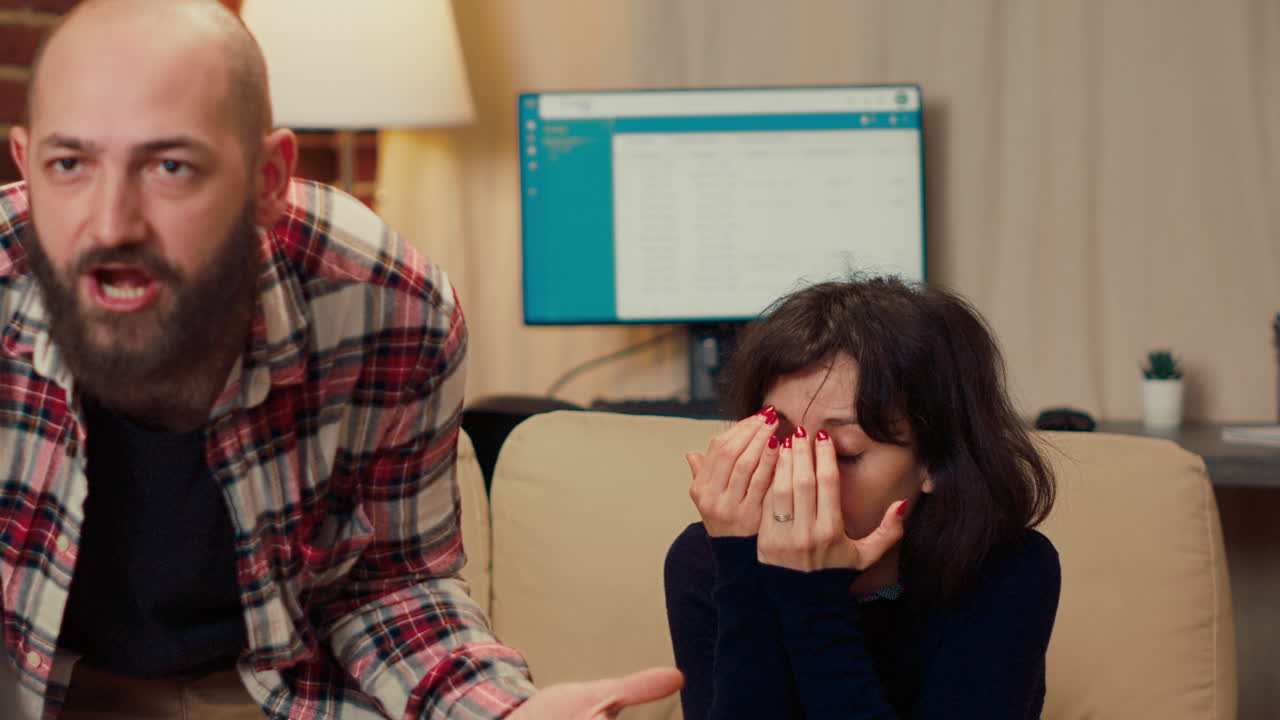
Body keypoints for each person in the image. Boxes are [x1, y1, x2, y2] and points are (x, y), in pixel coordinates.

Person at [0, 0, 680, 718]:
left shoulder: (390, 307)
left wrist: (502, 714)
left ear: (268, 179)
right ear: (25, 163)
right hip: (41, 684)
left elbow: (392, 586)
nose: (112, 224)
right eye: (69, 163)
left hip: (272, 689)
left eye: (171, 165)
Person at [664, 276, 1060, 719]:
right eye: (780, 438)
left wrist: (815, 600)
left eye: (845, 453)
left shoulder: (1008, 571)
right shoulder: (706, 560)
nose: (801, 478)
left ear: (936, 459)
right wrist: (744, 571)